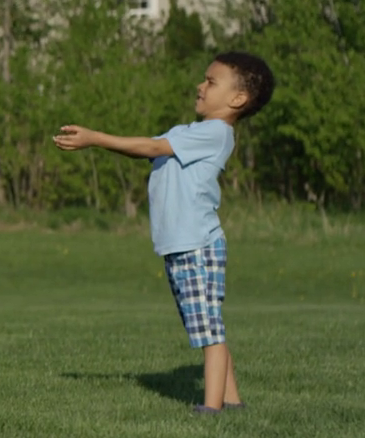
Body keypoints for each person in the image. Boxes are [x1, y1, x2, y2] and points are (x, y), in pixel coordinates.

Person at [53, 52, 276, 414]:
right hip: (181, 246)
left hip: (198, 245)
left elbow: (152, 147)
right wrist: (99, 141)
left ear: (238, 99)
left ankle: (212, 409)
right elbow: (146, 148)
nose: (200, 86)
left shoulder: (216, 133)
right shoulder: (187, 132)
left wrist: (95, 138)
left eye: (211, 82)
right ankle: (232, 401)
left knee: (209, 331)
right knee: (206, 326)